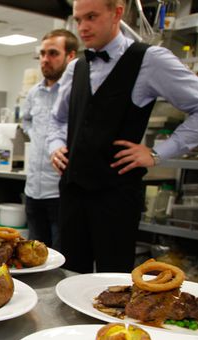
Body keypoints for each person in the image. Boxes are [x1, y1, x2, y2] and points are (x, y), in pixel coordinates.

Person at [48, 0, 198, 273]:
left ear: (117, 13)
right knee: (67, 275)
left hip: (116, 197)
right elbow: (57, 119)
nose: (83, 27)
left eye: (91, 17)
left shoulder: (150, 60)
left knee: (113, 281)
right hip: (72, 193)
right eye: (78, 19)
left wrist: (157, 153)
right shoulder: (75, 67)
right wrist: (55, 145)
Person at [22, 29, 78, 250]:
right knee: (33, 255)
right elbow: (26, 120)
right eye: (43, 54)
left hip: (60, 191)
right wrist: (35, 136)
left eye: (53, 53)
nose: (45, 59)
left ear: (70, 56)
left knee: (62, 255)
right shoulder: (34, 93)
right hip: (33, 190)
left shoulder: (75, 93)